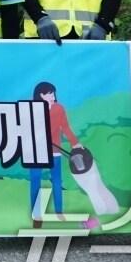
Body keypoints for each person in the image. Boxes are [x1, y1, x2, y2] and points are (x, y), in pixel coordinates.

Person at [27, 80, 90, 229]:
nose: (53, 96)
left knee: (57, 181)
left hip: (55, 152)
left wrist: (75, 143)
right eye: (49, 93)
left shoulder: (59, 108)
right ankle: (36, 214)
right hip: (35, 152)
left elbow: (65, 127)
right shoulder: (31, 108)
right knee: (35, 181)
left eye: (53, 93)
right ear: (41, 95)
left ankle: (59, 212)